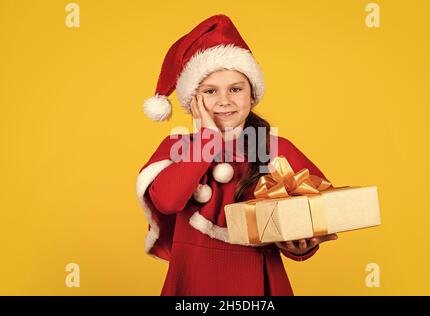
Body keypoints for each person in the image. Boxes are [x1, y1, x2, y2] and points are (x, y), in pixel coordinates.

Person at [136, 14, 338, 296]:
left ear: (252, 94)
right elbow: (168, 201)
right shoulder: (177, 147)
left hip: (259, 285)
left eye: (235, 89)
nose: (224, 101)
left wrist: (301, 245)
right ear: (193, 99)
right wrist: (208, 137)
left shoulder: (274, 148)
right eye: (210, 91)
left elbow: (322, 212)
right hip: (193, 285)